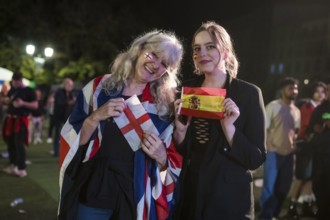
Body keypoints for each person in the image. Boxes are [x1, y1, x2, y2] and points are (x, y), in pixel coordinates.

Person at [58, 30, 184, 220]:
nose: (155, 65)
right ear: (140, 49)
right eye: (153, 54)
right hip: (95, 188)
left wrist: (162, 157)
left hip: (136, 195)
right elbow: (71, 138)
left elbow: (175, 159)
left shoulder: (165, 106)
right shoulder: (99, 88)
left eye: (165, 64)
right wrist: (94, 118)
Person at [173, 21, 266, 219]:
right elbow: (182, 151)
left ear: (225, 51)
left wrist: (230, 129)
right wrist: (180, 131)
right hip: (192, 194)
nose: (201, 53)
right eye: (196, 48)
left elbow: (255, 158)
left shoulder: (248, 93)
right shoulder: (186, 91)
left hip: (229, 200)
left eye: (210, 46)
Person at [259, 77, 301, 220]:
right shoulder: (273, 106)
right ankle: (266, 216)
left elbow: (295, 132)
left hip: (289, 154)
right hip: (273, 152)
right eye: (290, 88)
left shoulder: (296, 111)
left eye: (295, 88)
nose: (294, 91)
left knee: (284, 187)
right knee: (269, 188)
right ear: (282, 90)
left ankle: (275, 214)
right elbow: (264, 128)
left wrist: (293, 145)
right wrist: (268, 146)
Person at [286, 81, 327, 218]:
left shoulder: (321, 107)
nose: (320, 94)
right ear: (312, 92)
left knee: (310, 179)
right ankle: (292, 206)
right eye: (318, 91)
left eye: (323, 91)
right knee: (301, 177)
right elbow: (305, 126)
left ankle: (304, 205)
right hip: (306, 145)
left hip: (316, 148)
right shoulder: (308, 106)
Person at [1, 72, 38, 177]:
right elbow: (7, 100)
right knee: (10, 143)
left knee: (19, 144)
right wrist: (7, 101)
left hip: (20, 120)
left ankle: (22, 168)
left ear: (21, 80)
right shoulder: (12, 89)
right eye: (14, 81)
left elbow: (35, 105)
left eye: (17, 81)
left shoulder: (29, 91)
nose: (15, 83)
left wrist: (23, 103)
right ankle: (13, 164)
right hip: (10, 119)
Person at [309, 78, 330, 220]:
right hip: (320, 153)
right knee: (318, 184)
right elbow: (312, 127)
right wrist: (317, 128)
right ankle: (322, 211)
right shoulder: (320, 109)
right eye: (327, 90)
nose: (328, 92)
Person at [52, 78, 76, 157]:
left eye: (71, 85)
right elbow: (59, 104)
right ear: (65, 84)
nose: (70, 86)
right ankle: (56, 152)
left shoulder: (71, 93)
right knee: (58, 135)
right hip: (59, 117)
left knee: (68, 136)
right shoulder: (59, 92)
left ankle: (65, 151)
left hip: (67, 118)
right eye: (69, 85)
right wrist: (70, 102)